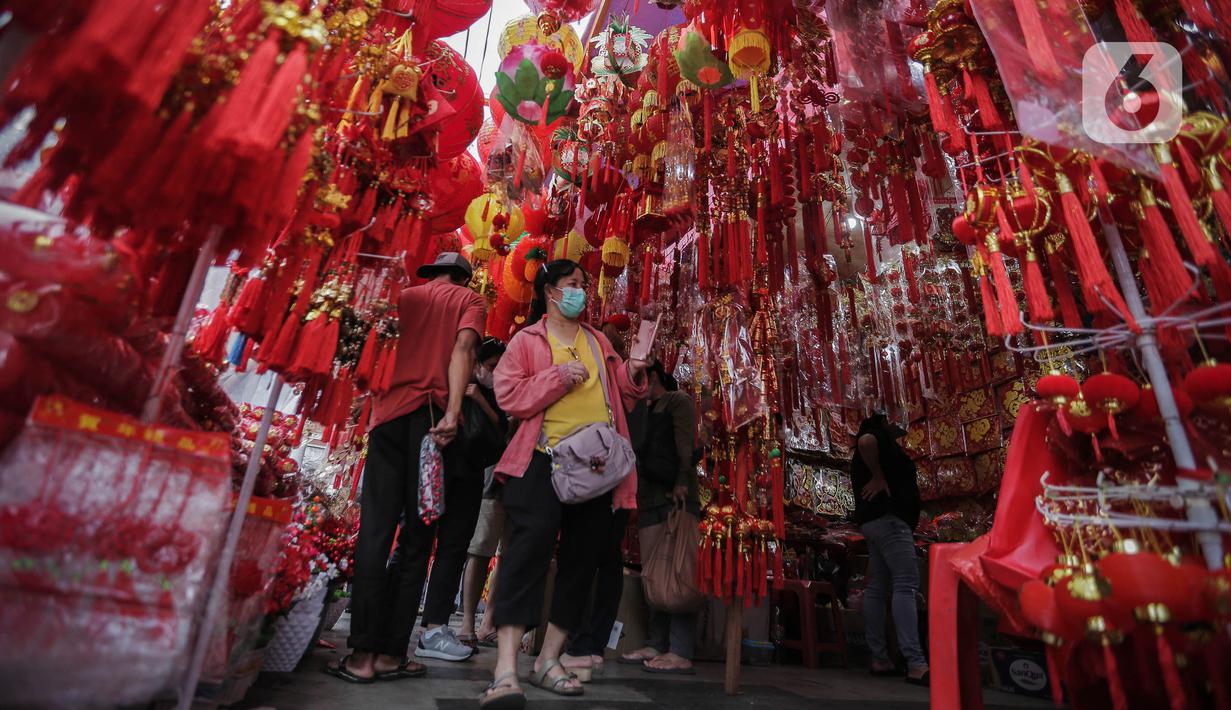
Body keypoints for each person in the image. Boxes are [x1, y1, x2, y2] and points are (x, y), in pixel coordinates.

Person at [481, 259, 647, 710]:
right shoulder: (527, 340)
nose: (580, 291)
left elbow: (623, 394)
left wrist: (634, 368)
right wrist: (556, 378)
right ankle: (505, 670)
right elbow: (509, 395)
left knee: (583, 560)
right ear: (549, 291)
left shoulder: (597, 341)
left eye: (583, 285)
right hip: (541, 460)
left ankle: (549, 659)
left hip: (595, 467)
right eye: (572, 284)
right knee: (527, 553)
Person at [326, 252, 485, 684]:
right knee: (419, 536)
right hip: (432, 424)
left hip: (387, 417)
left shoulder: (404, 295)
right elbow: (463, 350)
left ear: (431, 273)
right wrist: (453, 411)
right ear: (463, 278)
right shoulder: (470, 301)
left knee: (375, 533)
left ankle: (361, 655)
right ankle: (391, 654)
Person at [413, 337, 508, 662]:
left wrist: (479, 397)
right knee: (418, 540)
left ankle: (435, 626)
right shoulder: (444, 381)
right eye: (491, 366)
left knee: (454, 547)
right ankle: (399, 620)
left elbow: (501, 427)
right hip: (438, 467)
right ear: (475, 362)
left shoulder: (493, 393)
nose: (494, 373)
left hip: (472, 471)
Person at [619, 360, 700, 674]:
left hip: (674, 498)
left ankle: (680, 649)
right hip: (650, 499)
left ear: (652, 376)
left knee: (680, 570)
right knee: (656, 571)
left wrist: (682, 481)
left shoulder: (677, 401)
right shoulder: (643, 408)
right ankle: (657, 642)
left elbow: (686, 444)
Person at [850, 412, 927, 686]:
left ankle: (880, 658)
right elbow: (866, 441)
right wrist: (879, 476)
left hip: (874, 523)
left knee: (877, 587)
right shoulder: (876, 435)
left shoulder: (883, 443)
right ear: (884, 419)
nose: (905, 420)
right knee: (905, 584)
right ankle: (915, 663)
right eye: (899, 414)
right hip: (890, 520)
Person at [458, 338, 512, 649]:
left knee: (506, 552)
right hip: (491, 476)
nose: (496, 372)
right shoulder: (468, 388)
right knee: (480, 549)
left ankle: (488, 622)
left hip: (516, 476)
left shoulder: (505, 389)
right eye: (492, 366)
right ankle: (468, 620)